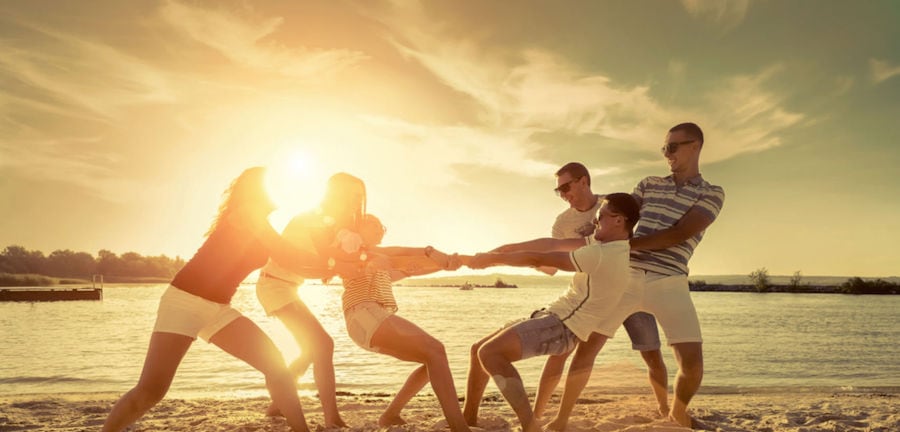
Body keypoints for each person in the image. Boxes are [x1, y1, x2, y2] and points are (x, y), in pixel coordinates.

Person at [491, 122, 725, 430]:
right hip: (624, 276)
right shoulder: (649, 184)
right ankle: (560, 420)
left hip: (670, 280)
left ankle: (677, 414)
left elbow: (680, 234)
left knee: (692, 364)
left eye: (672, 147)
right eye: (664, 148)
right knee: (587, 349)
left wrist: (621, 244)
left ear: (695, 146)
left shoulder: (712, 193)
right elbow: (620, 218)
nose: (666, 154)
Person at [102, 167, 354, 432]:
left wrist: (336, 265)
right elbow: (288, 254)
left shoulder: (262, 224)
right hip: (184, 301)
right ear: (259, 190)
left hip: (219, 309)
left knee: (276, 366)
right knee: (151, 391)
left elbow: (297, 263)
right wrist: (334, 263)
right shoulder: (247, 212)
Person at [462, 193, 641, 432]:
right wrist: (500, 252)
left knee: (490, 353)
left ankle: (530, 427)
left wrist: (494, 259)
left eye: (599, 217)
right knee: (478, 350)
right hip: (552, 317)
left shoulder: (603, 254)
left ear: (619, 220)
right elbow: (547, 245)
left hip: (561, 327)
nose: (594, 222)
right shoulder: (605, 247)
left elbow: (541, 257)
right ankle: (468, 421)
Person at [532, 162, 669, 421]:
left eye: (566, 186)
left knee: (650, 351)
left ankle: (665, 409)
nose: (562, 194)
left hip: (631, 286)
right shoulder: (562, 223)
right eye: (557, 190)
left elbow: (637, 234)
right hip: (595, 298)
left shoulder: (612, 205)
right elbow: (551, 267)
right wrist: (531, 258)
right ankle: (540, 415)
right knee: (565, 353)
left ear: (584, 181)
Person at [254, 172, 371, 427]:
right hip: (274, 285)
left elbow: (325, 266)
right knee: (324, 345)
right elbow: (321, 263)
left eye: (359, 197)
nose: (355, 201)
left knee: (311, 349)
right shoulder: (315, 218)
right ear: (335, 194)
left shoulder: (330, 224)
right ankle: (332, 418)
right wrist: (343, 265)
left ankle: (277, 403)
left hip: (287, 287)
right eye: (350, 195)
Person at [337, 214, 473, 432]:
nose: (379, 228)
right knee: (436, 350)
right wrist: (433, 254)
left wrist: (445, 266)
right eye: (372, 224)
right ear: (358, 228)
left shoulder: (380, 263)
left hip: (365, 321)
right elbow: (399, 252)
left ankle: (390, 415)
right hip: (363, 313)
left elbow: (412, 269)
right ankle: (459, 428)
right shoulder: (354, 250)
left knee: (433, 361)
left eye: (381, 226)